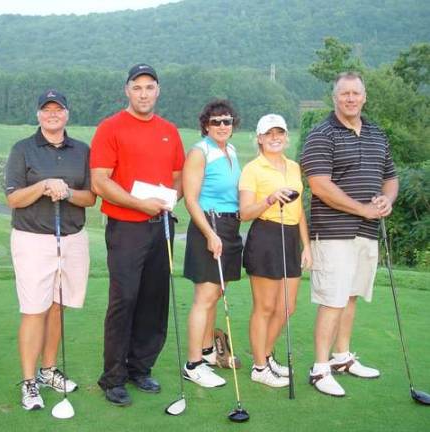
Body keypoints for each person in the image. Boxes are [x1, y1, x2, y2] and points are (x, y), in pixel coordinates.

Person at [90, 63, 185, 406]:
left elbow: (178, 176)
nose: (144, 93)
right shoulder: (110, 128)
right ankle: (113, 377)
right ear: (127, 91)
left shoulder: (169, 131)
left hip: (160, 225)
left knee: (153, 300)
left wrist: (167, 200)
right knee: (125, 299)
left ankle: (140, 368)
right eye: (137, 87)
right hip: (126, 227)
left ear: (157, 91)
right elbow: (101, 180)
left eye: (150, 87)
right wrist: (138, 203)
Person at [300, 71, 398, 397]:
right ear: (335, 97)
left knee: (351, 296)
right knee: (332, 299)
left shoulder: (377, 133)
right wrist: (362, 208)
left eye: (356, 93)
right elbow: (320, 186)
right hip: (333, 233)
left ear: (364, 96)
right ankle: (319, 368)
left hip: (367, 232)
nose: (351, 99)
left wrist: (387, 199)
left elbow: (390, 177)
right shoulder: (321, 134)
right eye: (345, 94)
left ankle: (341, 358)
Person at [5, 90, 96, 410]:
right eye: (47, 110)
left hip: (72, 237)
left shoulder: (82, 150)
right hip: (33, 239)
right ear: (38, 115)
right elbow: (14, 199)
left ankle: (48, 370)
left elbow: (90, 198)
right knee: (34, 310)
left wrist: (67, 190)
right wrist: (44, 185)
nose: (53, 114)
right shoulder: (23, 150)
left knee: (58, 306)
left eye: (58, 109)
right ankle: (29, 382)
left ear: (67, 114)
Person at [239, 114, 312, 388]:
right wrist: (269, 199)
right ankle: (259, 367)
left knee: (287, 307)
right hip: (266, 235)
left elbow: (299, 209)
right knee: (265, 306)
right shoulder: (252, 169)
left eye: (279, 132)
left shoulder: (293, 167)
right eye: (269, 133)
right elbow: (244, 213)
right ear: (259, 138)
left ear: (286, 136)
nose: (274, 137)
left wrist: (307, 246)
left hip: (291, 236)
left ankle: (266, 356)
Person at [182, 99, 242, 388]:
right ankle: (192, 364)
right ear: (206, 125)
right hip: (209, 225)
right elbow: (191, 199)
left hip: (229, 226)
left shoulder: (229, 149)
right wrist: (209, 233)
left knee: (217, 293)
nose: (222, 126)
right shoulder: (199, 151)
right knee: (204, 298)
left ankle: (207, 352)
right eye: (216, 121)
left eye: (227, 121)